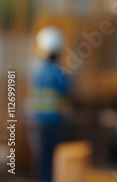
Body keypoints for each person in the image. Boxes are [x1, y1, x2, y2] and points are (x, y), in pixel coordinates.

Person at [30, 26, 69, 182]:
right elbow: (66, 92)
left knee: (41, 157)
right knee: (53, 157)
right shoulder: (58, 72)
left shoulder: (36, 69)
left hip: (38, 120)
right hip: (54, 121)